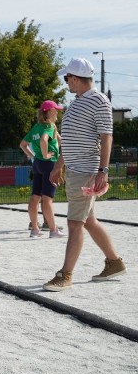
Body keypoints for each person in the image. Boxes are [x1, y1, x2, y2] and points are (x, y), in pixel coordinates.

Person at [43, 58, 126, 291]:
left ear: (76, 78)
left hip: (87, 171)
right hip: (75, 169)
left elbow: (106, 137)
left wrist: (103, 171)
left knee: (74, 223)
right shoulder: (77, 102)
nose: (66, 82)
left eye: (67, 78)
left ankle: (65, 274)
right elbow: (69, 141)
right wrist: (59, 165)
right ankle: (115, 262)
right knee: (88, 220)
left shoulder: (99, 101)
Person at [19, 100, 66, 238]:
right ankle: (53, 230)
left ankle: (34, 229)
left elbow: (22, 144)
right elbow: (44, 140)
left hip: (37, 164)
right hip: (49, 164)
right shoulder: (48, 126)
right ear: (49, 112)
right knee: (47, 198)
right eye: (55, 110)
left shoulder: (37, 126)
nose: (57, 112)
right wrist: (46, 155)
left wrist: (34, 156)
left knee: (35, 197)